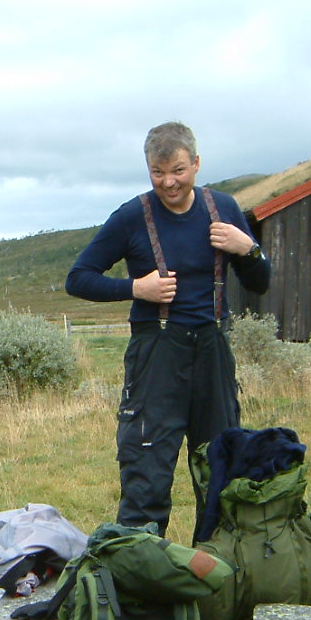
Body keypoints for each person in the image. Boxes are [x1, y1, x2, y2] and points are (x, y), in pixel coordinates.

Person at [66, 121, 271, 542]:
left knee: (220, 467)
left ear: (196, 163)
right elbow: (78, 278)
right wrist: (135, 288)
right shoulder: (131, 216)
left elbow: (261, 282)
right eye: (157, 173)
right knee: (147, 472)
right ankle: (141, 568)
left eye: (177, 170)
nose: (168, 182)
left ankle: (216, 567)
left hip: (213, 351)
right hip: (156, 353)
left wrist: (248, 249)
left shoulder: (224, 209)